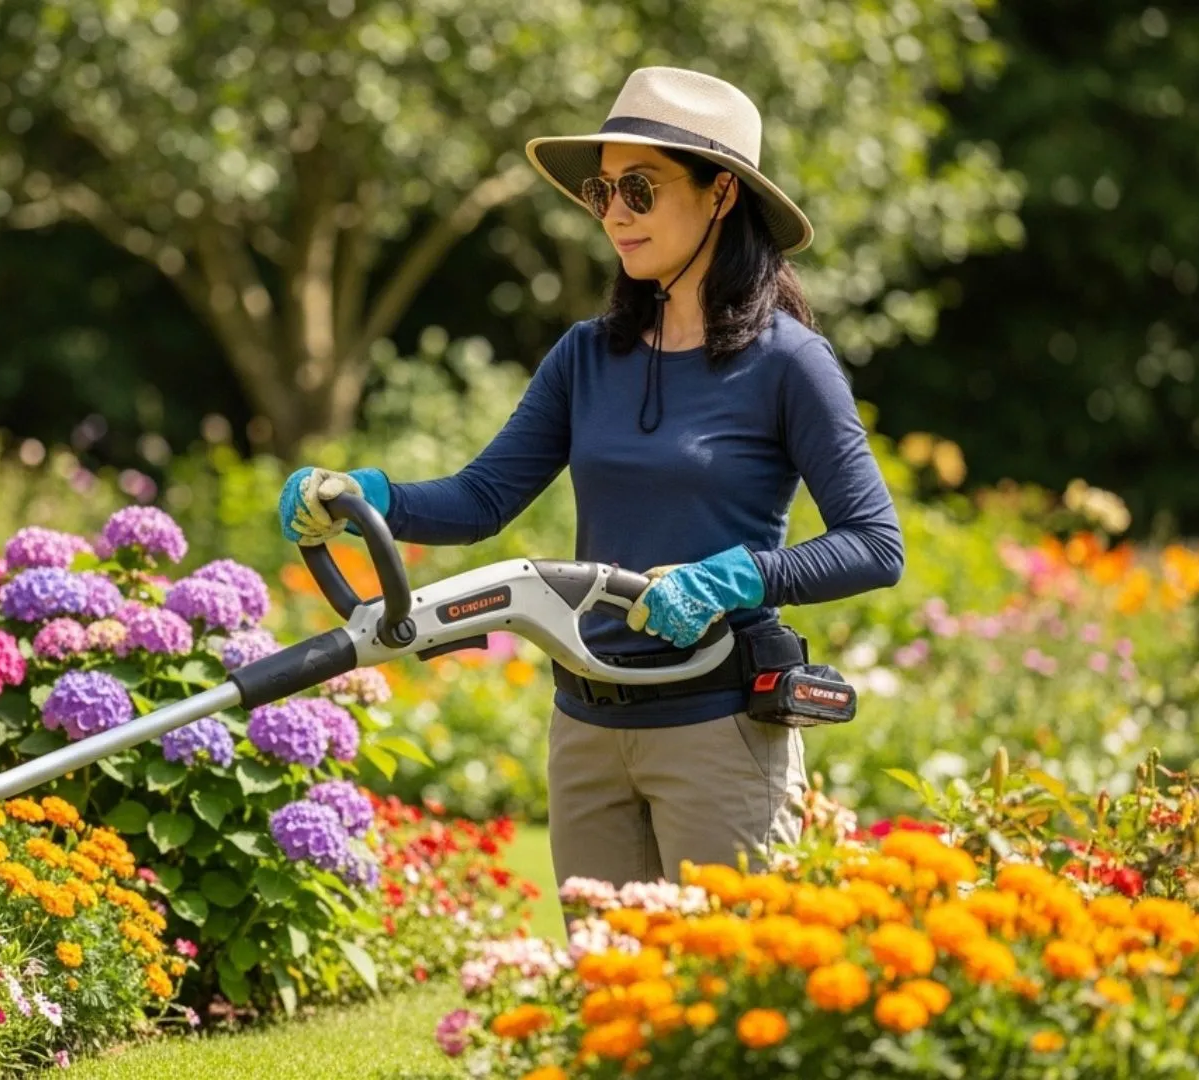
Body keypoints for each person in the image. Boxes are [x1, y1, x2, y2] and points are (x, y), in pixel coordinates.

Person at [276, 67, 904, 888]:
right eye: (601, 190)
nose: (611, 213)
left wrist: (738, 575)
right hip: (585, 728)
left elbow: (876, 543)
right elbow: (482, 500)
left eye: (638, 189)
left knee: (712, 1000)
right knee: (599, 995)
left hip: (717, 729)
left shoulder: (788, 364)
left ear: (720, 195)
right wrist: (368, 499)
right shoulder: (586, 355)